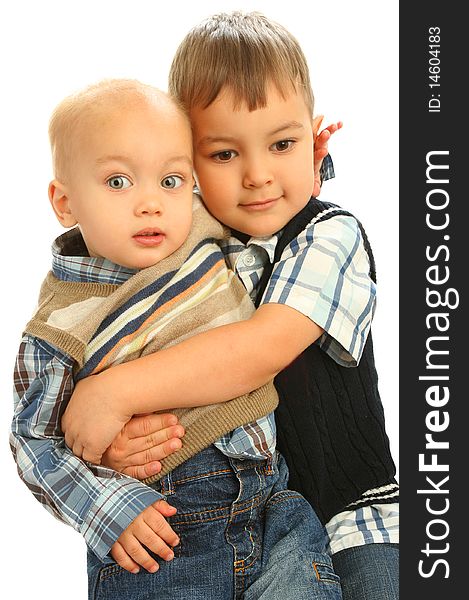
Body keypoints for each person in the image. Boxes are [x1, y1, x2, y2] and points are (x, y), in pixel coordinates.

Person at [61, 12, 399, 600]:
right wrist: (121, 441)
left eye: (283, 144)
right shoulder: (186, 248)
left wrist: (113, 396)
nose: (259, 176)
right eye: (223, 155)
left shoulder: (330, 237)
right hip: (242, 524)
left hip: (353, 521)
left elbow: (256, 351)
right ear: (186, 166)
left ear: (313, 142)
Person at [10, 78, 343, 600]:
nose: (151, 203)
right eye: (119, 182)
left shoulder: (203, 227)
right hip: (164, 524)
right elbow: (35, 442)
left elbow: (263, 204)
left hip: (276, 503)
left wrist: (307, 167)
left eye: (171, 180)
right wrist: (110, 509)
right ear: (64, 202)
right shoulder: (60, 322)